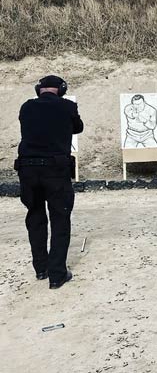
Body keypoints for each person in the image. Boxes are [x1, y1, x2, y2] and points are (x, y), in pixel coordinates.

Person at [16, 75, 83, 289]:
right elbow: (78, 128)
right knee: (60, 219)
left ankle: (41, 269)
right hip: (55, 169)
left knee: (35, 217)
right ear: (61, 90)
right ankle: (57, 275)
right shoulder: (68, 106)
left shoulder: (26, 107)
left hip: (27, 170)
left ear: (39, 90)